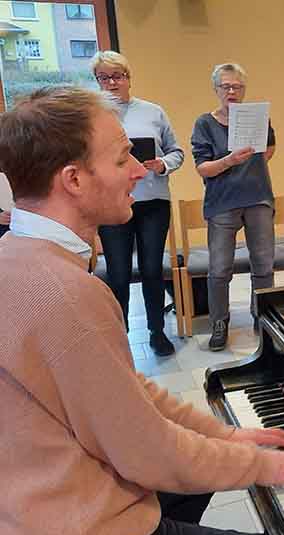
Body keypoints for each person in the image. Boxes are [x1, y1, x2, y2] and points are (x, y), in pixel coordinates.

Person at [0, 86, 284, 535]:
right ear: (73, 179)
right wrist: (261, 463)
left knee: (203, 477)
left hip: (38, 509)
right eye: (121, 160)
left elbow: (126, 391)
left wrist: (227, 435)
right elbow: (148, 453)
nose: (140, 169)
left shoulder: (18, 256)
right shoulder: (64, 292)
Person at [91, 51, 185, 357]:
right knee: (117, 273)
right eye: (104, 77)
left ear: (129, 78)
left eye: (117, 76)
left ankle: (157, 332)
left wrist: (162, 164)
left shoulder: (153, 112)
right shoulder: (90, 117)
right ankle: (121, 337)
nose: (111, 83)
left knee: (151, 269)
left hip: (153, 202)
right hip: (112, 204)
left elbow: (177, 152)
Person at [191, 63, 276, 351]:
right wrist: (230, 162)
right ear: (216, 90)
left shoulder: (256, 117)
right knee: (219, 267)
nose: (231, 91)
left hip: (258, 198)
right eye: (226, 86)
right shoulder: (205, 123)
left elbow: (271, 146)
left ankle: (263, 317)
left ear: (244, 90)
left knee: (263, 263)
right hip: (222, 203)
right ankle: (219, 323)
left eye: (237, 86)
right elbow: (203, 168)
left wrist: (253, 166)